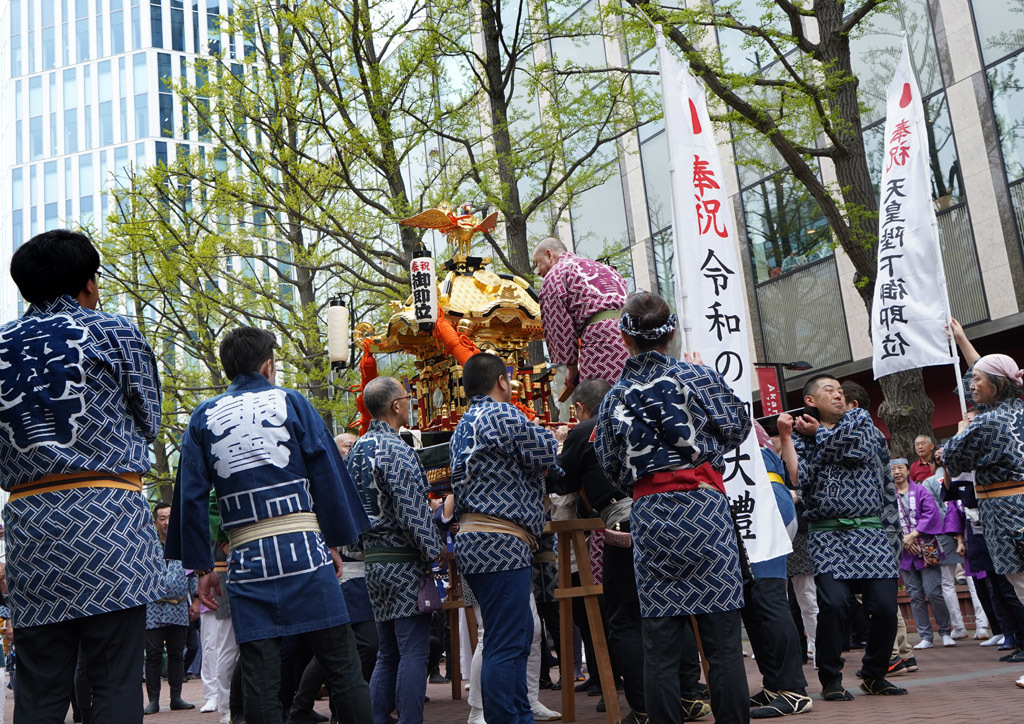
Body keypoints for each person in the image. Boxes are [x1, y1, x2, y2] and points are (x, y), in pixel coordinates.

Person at [0, 230, 164, 723]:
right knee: (114, 679)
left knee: (40, 685)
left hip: (32, 530)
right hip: (109, 525)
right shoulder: (115, 332)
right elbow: (150, 420)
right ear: (89, 284)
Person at [170, 326, 373, 724]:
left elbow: (191, 496)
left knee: (260, 675)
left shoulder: (203, 416)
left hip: (247, 558)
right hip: (304, 550)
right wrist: (333, 540)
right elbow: (327, 474)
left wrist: (204, 567)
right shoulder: (292, 402)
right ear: (268, 364)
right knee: (343, 666)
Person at [594, 291, 751, 724]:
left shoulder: (614, 397)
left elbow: (610, 466)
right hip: (705, 509)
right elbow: (738, 426)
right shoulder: (698, 378)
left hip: (652, 516)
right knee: (721, 643)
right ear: (673, 332)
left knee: (659, 645)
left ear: (624, 337)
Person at [776, 376, 905, 701]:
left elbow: (856, 450)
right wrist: (787, 437)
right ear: (810, 401)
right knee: (832, 606)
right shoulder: (803, 438)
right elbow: (798, 478)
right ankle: (831, 678)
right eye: (829, 391)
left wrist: (818, 436)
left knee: (886, 609)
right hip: (827, 534)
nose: (838, 394)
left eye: (840, 391)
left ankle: (875, 674)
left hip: (871, 532)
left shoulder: (861, 421)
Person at [450, 352, 559, 724]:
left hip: (474, 539)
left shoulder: (464, 423)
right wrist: (554, 435)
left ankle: (516, 713)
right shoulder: (503, 413)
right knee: (506, 640)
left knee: (510, 633)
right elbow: (547, 454)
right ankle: (507, 718)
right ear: (502, 381)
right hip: (499, 540)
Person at [346, 377, 444, 724]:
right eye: (407, 398)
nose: (411, 403)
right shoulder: (396, 449)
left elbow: (348, 509)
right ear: (395, 406)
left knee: (388, 653)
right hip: (403, 562)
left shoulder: (357, 449)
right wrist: (435, 551)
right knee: (414, 652)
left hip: (372, 562)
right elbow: (412, 510)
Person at [555, 378, 652, 724]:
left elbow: (561, 482)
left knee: (623, 615)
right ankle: (688, 693)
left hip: (624, 518)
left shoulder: (586, 429)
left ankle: (643, 706)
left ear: (580, 409)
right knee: (666, 609)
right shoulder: (640, 416)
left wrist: (562, 447)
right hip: (665, 514)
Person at [745, 427, 812, 718]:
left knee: (769, 598)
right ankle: (774, 684)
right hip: (759, 500)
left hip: (763, 501)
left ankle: (793, 689)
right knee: (754, 599)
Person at [532, 237, 628, 399]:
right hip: (630, 337)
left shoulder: (556, 274)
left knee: (600, 402)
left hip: (600, 342)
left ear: (549, 255)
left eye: (537, 264)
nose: (539, 272)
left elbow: (558, 324)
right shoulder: (606, 269)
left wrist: (571, 367)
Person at [889, 459, 954, 649]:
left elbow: (931, 513)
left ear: (909, 471)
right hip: (904, 551)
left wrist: (914, 534)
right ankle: (925, 635)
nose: (897, 472)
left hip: (925, 547)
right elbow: (886, 520)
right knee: (915, 594)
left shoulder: (920, 490)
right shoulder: (888, 495)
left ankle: (945, 631)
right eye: (893, 469)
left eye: (901, 468)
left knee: (934, 591)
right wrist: (903, 539)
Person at [145, 502, 198, 714]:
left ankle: (176, 697)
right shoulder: (148, 544)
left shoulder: (182, 544)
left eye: (169, 517)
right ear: (156, 522)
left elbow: (192, 573)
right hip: (153, 608)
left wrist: (196, 600)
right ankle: (153, 701)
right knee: (153, 654)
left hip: (179, 607)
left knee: (177, 653)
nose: (167, 522)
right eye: (162, 518)